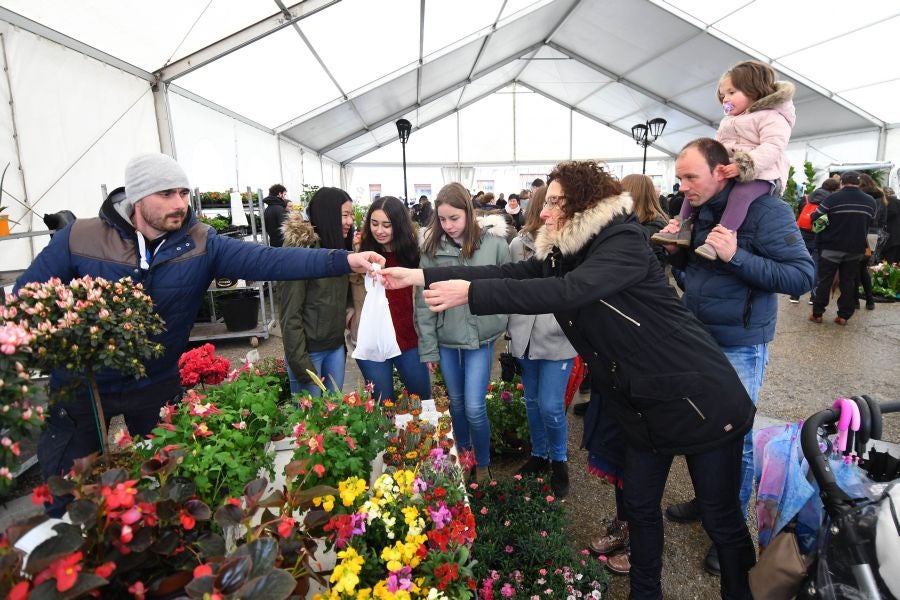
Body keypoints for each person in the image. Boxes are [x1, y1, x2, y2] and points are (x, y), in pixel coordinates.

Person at [383, 160, 758, 600]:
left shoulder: (622, 243)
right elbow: (513, 273)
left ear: (583, 204)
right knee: (638, 508)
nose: (543, 212)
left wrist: (470, 294)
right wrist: (421, 275)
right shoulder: (569, 250)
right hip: (640, 400)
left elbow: (569, 292)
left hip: (698, 398)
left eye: (555, 202)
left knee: (720, 517)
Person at [15, 153, 383, 489]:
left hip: (155, 383)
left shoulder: (200, 242)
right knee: (71, 488)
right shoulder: (80, 238)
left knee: (169, 483)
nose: (179, 204)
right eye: (167, 194)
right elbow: (26, 297)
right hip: (83, 388)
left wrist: (342, 260)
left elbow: (269, 260)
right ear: (138, 198)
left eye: (183, 193)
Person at [658, 138, 814, 575]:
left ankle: (727, 530)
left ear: (722, 170)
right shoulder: (701, 209)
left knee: (735, 437)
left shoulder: (766, 211)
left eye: (691, 177)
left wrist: (736, 255)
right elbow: (700, 276)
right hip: (698, 337)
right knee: (700, 427)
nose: (683, 187)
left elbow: (802, 276)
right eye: (679, 178)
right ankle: (709, 501)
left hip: (741, 343)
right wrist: (677, 254)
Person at [652, 61, 795, 262]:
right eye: (723, 95)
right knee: (691, 189)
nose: (725, 99)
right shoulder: (728, 119)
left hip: (763, 173)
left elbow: (773, 147)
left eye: (731, 92)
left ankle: (723, 236)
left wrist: (744, 165)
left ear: (754, 90)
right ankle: (682, 226)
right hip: (731, 169)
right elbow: (718, 145)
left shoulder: (773, 116)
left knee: (740, 194)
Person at [415, 182, 510, 483]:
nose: (448, 225)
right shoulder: (431, 249)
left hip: (480, 339)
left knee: (474, 406)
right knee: (456, 404)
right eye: (442, 219)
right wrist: (428, 347)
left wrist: (502, 321)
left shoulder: (494, 244)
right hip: (446, 339)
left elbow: (511, 287)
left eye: (454, 218)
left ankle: (482, 462)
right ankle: (464, 454)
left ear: (468, 212)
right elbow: (423, 302)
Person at [507, 185, 576, 498]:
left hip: (558, 336)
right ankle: (539, 454)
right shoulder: (517, 245)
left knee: (550, 404)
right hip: (524, 334)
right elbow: (508, 288)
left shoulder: (572, 245)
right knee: (532, 401)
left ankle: (559, 459)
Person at [350, 196, 431, 402]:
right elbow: (343, 293)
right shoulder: (361, 256)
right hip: (372, 340)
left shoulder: (416, 254)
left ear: (400, 225)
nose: (380, 230)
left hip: (409, 340)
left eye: (387, 225)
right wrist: (351, 318)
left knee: (421, 401)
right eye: (374, 223)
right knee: (383, 406)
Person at [279, 187, 356, 397]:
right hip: (308, 352)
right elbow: (289, 312)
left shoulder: (339, 248)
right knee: (310, 423)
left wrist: (349, 307)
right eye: (345, 215)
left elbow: (343, 292)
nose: (350, 221)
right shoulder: (301, 251)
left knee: (334, 416)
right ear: (328, 215)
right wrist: (299, 361)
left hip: (335, 347)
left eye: (352, 215)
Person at [810, 170, 876, 325]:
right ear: (859, 183)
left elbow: (815, 216)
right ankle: (843, 316)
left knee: (825, 280)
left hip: (831, 246)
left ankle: (818, 314)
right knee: (848, 281)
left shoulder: (832, 198)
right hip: (855, 248)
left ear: (842, 182)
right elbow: (872, 223)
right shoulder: (870, 201)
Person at [791, 178, 839, 303]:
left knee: (800, 263)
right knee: (816, 264)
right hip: (819, 234)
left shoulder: (807, 198)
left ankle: (795, 295)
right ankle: (813, 296)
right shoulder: (831, 201)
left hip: (801, 233)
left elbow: (799, 213)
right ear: (834, 190)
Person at [859, 173, 887, 309]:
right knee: (863, 266)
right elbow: (883, 220)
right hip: (873, 235)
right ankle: (870, 301)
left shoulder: (861, 195)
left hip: (860, 233)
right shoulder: (881, 196)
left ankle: (855, 301)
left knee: (853, 266)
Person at [883, 186, 900, 264]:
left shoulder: (891, 200)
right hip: (897, 236)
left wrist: (883, 218)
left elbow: (893, 212)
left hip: (893, 235)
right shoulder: (898, 201)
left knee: (890, 261)